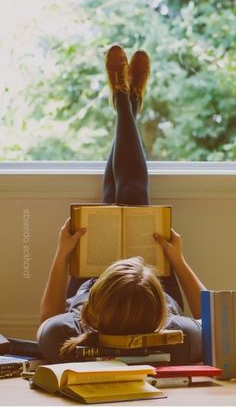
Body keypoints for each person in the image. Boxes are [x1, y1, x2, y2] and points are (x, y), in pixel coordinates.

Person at [37, 45, 205, 364]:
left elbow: (47, 319)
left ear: (90, 309)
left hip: (107, 275)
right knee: (129, 196)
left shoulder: (67, 339)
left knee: (125, 196)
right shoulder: (180, 338)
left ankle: (127, 103)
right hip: (135, 283)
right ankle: (126, 103)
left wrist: (64, 255)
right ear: (161, 314)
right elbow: (213, 320)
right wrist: (177, 261)